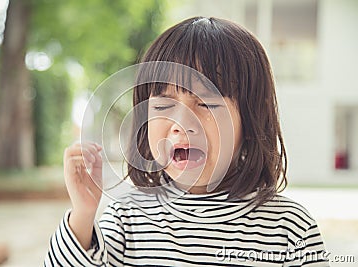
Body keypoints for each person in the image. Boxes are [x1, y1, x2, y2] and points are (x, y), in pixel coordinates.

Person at [44, 17, 329, 266]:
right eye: (164, 105)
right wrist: (82, 216)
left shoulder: (289, 228)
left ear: (251, 120)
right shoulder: (126, 217)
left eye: (206, 103)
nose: (182, 123)